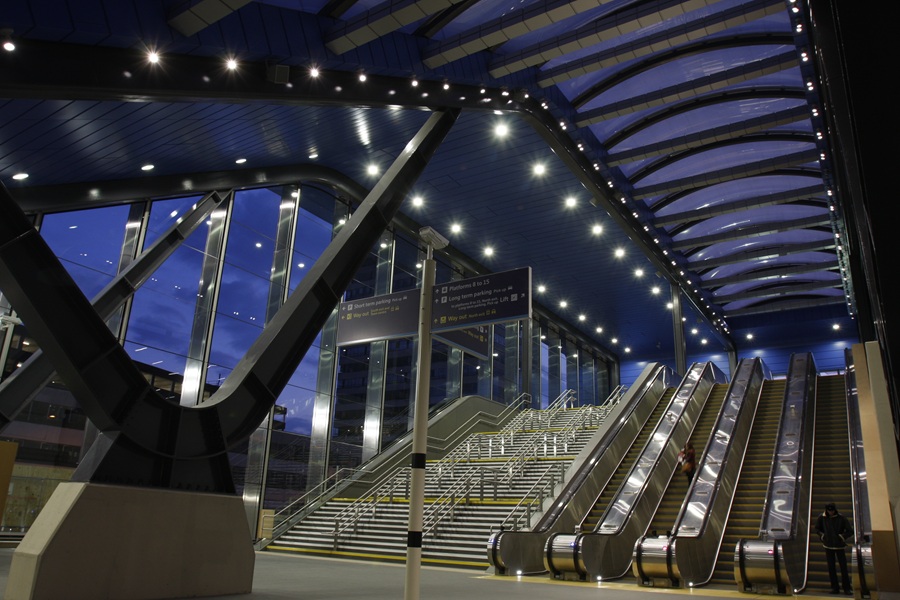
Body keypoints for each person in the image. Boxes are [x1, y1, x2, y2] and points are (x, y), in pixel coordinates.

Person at [815, 502, 853, 594]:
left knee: (843, 568)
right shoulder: (822, 518)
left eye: (832, 510)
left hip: (839, 546)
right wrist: (822, 536)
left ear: (835, 510)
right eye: (829, 510)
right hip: (828, 545)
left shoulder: (841, 518)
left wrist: (841, 537)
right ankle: (835, 588)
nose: (831, 512)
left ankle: (847, 588)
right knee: (831, 568)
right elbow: (817, 529)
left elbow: (850, 531)